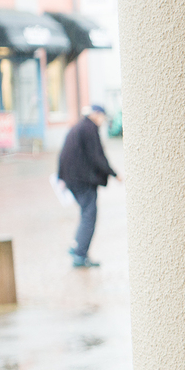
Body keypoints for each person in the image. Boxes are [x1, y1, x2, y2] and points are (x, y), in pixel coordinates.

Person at [56, 104, 115, 268]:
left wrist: (61, 176)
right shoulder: (90, 129)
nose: (103, 121)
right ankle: (80, 254)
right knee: (89, 215)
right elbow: (97, 156)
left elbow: (63, 153)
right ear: (96, 115)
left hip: (72, 178)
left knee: (85, 213)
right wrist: (113, 173)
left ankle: (77, 247)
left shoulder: (78, 127)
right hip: (83, 180)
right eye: (102, 116)